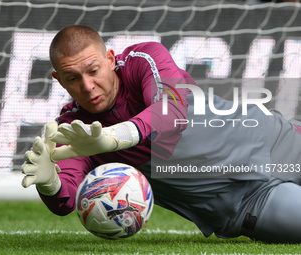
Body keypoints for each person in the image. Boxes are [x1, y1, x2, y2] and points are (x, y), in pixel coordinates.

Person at [21, 25, 301, 243]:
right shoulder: (74, 129)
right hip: (246, 203)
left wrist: (114, 137)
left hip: (278, 142)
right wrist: (50, 183)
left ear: (109, 59)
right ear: (58, 79)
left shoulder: (143, 59)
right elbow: (67, 199)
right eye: (73, 78)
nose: (88, 85)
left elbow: (170, 110)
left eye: (93, 70)